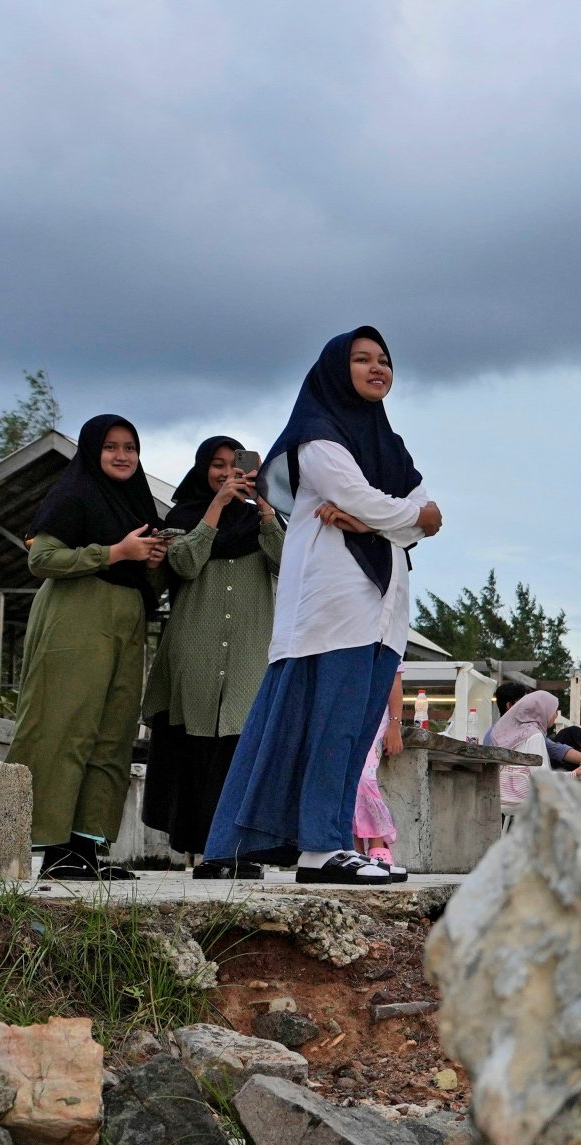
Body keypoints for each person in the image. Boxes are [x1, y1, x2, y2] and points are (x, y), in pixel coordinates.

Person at [207, 327, 440, 884]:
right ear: (338, 368)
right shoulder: (316, 436)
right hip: (334, 604)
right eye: (362, 359)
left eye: (384, 360)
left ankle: (327, 841)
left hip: (384, 605)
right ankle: (319, 849)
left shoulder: (391, 444)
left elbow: (425, 510)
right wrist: (392, 518)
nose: (376, 368)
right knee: (324, 726)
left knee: (355, 731)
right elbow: (366, 498)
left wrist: (374, 522)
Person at [6, 414, 167, 881]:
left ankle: (87, 848)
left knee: (111, 736)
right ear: (93, 451)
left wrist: (152, 559)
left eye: (130, 448)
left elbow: (148, 580)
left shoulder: (138, 504)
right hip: (75, 621)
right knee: (65, 728)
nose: (122, 456)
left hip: (125, 623)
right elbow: (42, 559)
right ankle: (55, 852)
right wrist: (115, 552)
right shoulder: (72, 495)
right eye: (111, 447)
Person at [142, 436, 283, 877]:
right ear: (203, 469)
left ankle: (234, 851)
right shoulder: (182, 517)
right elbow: (183, 564)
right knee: (196, 752)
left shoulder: (263, 523)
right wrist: (216, 508)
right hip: (194, 653)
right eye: (217, 466)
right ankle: (199, 851)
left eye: (235, 466)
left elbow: (287, 559)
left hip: (247, 654)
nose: (226, 473)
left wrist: (265, 506)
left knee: (238, 750)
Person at [355, 674, 404, 867]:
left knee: (364, 777)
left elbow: (395, 680)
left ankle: (377, 840)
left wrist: (394, 725)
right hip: (346, 709)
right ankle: (354, 846)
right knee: (345, 777)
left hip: (376, 714)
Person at [483, 689, 559, 812]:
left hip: (501, 796)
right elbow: (541, 775)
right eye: (554, 711)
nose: (556, 715)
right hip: (526, 800)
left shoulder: (506, 733)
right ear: (543, 711)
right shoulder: (535, 735)